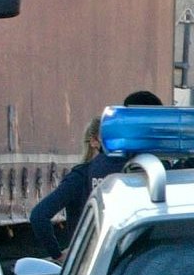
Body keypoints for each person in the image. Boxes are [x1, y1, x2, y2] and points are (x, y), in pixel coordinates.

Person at [25, 91, 165, 255]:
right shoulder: (160, 174)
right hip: (142, 264)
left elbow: (38, 216)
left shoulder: (83, 174)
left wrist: (60, 256)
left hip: (92, 267)